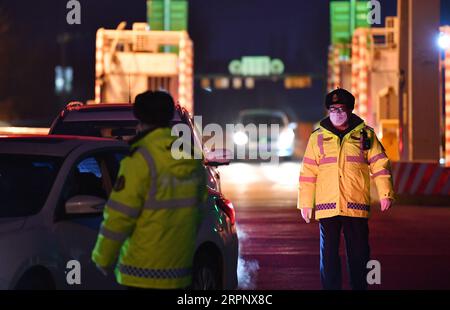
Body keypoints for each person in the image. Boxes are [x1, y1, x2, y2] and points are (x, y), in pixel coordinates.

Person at [92, 90, 206, 289]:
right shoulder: (190, 157)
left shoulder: (140, 159)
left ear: (140, 120)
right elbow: (199, 210)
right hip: (180, 272)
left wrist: (103, 257)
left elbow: (120, 215)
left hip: (141, 273)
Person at [297, 88, 395, 290]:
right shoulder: (317, 138)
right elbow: (307, 173)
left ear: (350, 110)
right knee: (329, 256)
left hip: (355, 204)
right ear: (328, 110)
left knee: (359, 254)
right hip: (328, 206)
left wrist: (386, 194)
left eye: (341, 108)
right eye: (333, 109)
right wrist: (306, 204)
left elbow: (380, 165)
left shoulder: (366, 135)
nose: (337, 113)